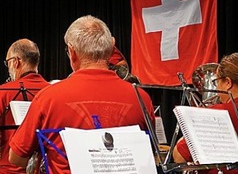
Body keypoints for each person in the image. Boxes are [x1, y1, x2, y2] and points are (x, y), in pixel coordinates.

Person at [8, 15, 155, 173]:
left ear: (72, 52)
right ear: (111, 49)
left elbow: (16, 157)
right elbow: (150, 151)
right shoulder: (142, 97)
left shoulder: (48, 97)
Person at [0, 38, 50, 173]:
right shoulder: (51, 91)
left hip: (12, 169)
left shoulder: (4, 92)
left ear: (16, 62)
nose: (8, 68)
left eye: (7, 62)